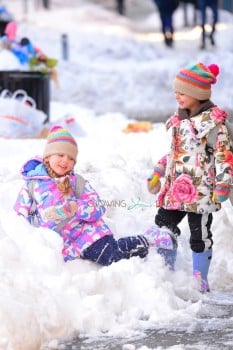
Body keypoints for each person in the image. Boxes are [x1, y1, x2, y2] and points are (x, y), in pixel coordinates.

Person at [14, 125, 177, 267]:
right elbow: (19, 217)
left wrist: (76, 208)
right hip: (63, 245)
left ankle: (153, 239)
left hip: (88, 235)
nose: (66, 161)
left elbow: (98, 207)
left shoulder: (77, 182)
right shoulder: (32, 185)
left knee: (111, 255)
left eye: (71, 158)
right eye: (60, 155)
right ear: (47, 157)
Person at [147, 62, 233, 292]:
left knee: (200, 235)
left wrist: (223, 184)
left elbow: (224, 156)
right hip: (177, 188)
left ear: (197, 94)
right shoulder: (179, 120)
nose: (177, 96)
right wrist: (159, 169)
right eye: (176, 91)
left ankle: (200, 280)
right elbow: (177, 153)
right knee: (163, 223)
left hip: (202, 192)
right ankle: (167, 271)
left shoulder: (215, 125)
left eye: (182, 92)